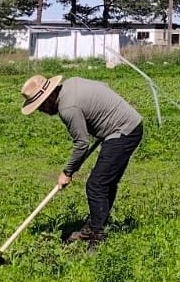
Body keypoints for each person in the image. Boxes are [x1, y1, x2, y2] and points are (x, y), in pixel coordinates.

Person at [20, 74, 143, 247]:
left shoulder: (67, 107)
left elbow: (82, 143)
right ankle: (95, 225)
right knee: (105, 182)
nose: (41, 111)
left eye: (40, 106)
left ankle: (96, 236)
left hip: (124, 131)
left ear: (48, 98)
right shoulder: (72, 83)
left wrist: (67, 172)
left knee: (96, 185)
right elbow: (102, 84)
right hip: (125, 126)